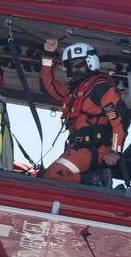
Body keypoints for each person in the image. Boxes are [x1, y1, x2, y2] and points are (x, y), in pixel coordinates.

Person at [39, 38, 125, 183]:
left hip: (93, 150)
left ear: (90, 62)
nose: (74, 69)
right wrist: (48, 54)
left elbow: (119, 121)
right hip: (78, 148)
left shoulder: (101, 87)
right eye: (71, 66)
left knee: (50, 178)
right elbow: (48, 86)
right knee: (45, 178)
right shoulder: (74, 90)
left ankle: (95, 180)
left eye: (78, 64)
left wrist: (115, 151)